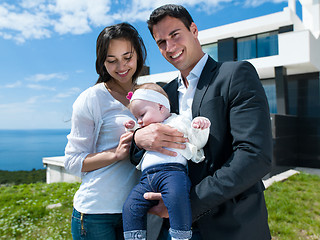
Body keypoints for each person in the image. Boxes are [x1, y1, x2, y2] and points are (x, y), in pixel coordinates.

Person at [130, 4, 273, 240]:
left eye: (175, 35)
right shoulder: (162, 95)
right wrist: (138, 137)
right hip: (166, 228)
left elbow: (255, 155)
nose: (170, 47)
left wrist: (185, 204)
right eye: (161, 42)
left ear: (194, 30)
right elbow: (137, 150)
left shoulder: (235, 75)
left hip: (229, 225)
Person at [64, 22, 147, 240]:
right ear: (102, 62)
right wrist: (116, 154)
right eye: (112, 60)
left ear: (138, 54)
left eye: (127, 57)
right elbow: (72, 162)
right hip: (96, 215)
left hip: (135, 211)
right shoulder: (93, 98)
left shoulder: (147, 94)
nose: (121, 66)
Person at [122, 83, 211, 240]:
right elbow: (136, 144)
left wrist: (200, 128)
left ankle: (180, 235)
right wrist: (132, 129)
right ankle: (134, 236)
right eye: (136, 118)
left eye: (142, 115)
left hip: (172, 173)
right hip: (146, 178)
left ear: (161, 107)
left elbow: (196, 142)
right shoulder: (144, 129)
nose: (140, 121)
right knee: (130, 206)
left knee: (177, 198)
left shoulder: (178, 122)